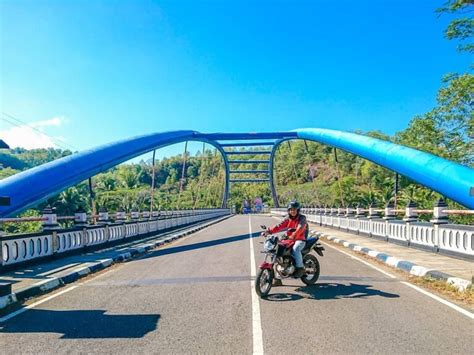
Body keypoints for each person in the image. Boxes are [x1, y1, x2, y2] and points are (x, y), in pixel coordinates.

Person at [262, 200, 308, 284]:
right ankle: (277, 278)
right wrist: (269, 231)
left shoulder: (302, 218)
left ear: (298, 210)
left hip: (300, 239)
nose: (292, 211)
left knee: (296, 248)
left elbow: (300, 228)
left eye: (294, 210)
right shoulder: (288, 218)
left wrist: (293, 235)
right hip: (289, 239)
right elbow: (279, 226)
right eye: (291, 210)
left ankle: (300, 268)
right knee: (276, 250)